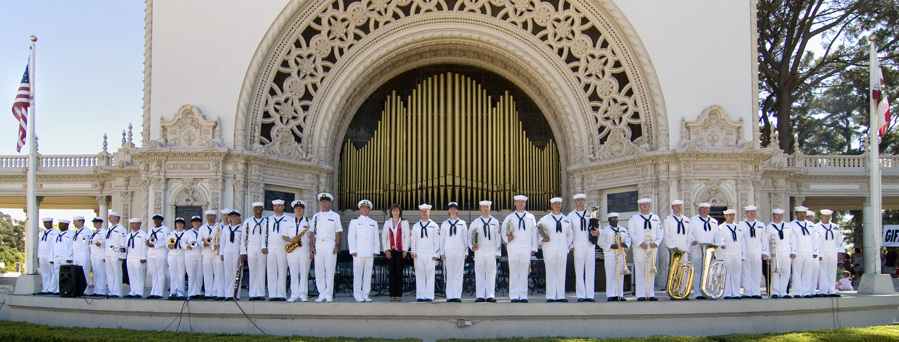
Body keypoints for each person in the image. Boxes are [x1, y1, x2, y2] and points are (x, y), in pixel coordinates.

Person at [502, 195, 539, 303]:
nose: (520, 204)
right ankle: (514, 295)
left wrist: (534, 247)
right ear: (515, 203)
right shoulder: (509, 217)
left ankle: (523, 295)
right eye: (518, 202)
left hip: (526, 247)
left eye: (522, 202)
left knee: (524, 272)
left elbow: (534, 233)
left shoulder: (530, 217)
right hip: (513, 247)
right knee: (514, 272)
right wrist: (507, 239)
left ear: (525, 203)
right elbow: (503, 231)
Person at [538, 197, 574, 302]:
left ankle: (560, 295)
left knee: (561, 272)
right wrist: (542, 239)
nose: (557, 205)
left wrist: (566, 246)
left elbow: (570, 235)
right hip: (549, 248)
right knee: (550, 271)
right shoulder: (545, 219)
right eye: (555, 204)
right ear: (551, 205)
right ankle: (550, 295)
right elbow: (538, 232)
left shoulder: (566, 219)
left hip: (562, 248)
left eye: (559, 203)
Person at [627, 197, 662, 301]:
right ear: (640, 206)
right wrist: (639, 243)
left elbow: (660, 232)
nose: (645, 206)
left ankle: (650, 294)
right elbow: (631, 232)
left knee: (651, 270)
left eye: (646, 204)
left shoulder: (655, 218)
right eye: (643, 204)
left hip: (652, 248)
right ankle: (641, 294)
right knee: (640, 270)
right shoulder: (634, 218)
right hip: (640, 248)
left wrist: (656, 242)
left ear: (649, 205)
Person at [312, 193, 342, 302]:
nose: (324, 203)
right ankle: (321, 294)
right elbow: (312, 232)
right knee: (319, 269)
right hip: (318, 243)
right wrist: (312, 246)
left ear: (330, 202)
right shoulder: (316, 216)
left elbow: (338, 232)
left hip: (330, 243)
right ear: (320, 203)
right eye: (322, 201)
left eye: (326, 201)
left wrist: (337, 245)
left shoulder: (335, 216)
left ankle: (329, 294)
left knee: (330, 270)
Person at [568, 193, 598, 302]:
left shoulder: (591, 213)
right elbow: (569, 231)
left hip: (589, 244)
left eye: (582, 200)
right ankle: (581, 294)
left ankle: (590, 295)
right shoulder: (571, 215)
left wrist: (597, 233)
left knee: (590, 269)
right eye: (578, 200)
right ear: (575, 202)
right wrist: (570, 245)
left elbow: (597, 226)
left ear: (584, 201)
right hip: (577, 244)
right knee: (579, 269)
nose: (580, 202)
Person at [348, 199, 380, 302]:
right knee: (357, 274)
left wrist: (376, 250)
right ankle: (357, 294)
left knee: (367, 274)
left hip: (369, 252)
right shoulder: (355, 222)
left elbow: (376, 238)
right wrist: (352, 250)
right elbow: (351, 237)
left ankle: (366, 294)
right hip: (358, 252)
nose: (365, 210)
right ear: (360, 209)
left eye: (367, 208)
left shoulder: (373, 223)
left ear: (369, 210)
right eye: (363, 208)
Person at [469, 200, 500, 303]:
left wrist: (498, 252)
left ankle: (490, 295)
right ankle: (480, 295)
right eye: (483, 207)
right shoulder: (476, 222)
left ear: (490, 208)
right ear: (480, 208)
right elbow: (469, 236)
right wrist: (471, 246)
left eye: (487, 207)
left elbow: (497, 238)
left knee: (491, 273)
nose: (485, 209)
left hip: (491, 250)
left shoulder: (494, 222)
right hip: (479, 251)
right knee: (480, 273)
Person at [283, 200, 313, 302]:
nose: (298, 210)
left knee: (304, 272)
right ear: (294, 210)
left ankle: (303, 294)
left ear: (303, 210)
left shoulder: (309, 222)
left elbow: (312, 236)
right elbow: (283, 236)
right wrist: (291, 240)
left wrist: (311, 250)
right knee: (293, 272)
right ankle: (294, 294)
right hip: (292, 249)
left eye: (300, 208)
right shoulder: (288, 222)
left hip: (304, 248)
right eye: (296, 209)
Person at [441, 202, 469, 303]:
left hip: (460, 249)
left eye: (454, 209)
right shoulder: (445, 224)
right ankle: (450, 295)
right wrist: (441, 252)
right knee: (450, 273)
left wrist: (466, 251)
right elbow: (442, 239)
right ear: (448, 211)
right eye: (451, 209)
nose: (453, 210)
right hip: (448, 249)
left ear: (457, 211)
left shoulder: (462, 223)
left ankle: (457, 295)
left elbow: (465, 237)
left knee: (458, 273)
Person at [663, 200, 691, 299]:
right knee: (673, 271)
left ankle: (683, 291)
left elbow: (689, 235)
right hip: (673, 249)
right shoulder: (668, 219)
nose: (678, 207)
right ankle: (673, 291)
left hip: (684, 249)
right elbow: (666, 235)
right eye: (676, 206)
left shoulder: (686, 219)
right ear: (672, 207)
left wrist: (687, 248)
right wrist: (672, 247)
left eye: (680, 205)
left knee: (684, 270)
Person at [412, 203, 440, 302]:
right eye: (422, 211)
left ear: (429, 212)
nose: (424, 213)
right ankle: (420, 295)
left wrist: (436, 254)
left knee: (430, 274)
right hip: (419, 253)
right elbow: (413, 240)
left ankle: (429, 295)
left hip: (430, 253)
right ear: (420, 212)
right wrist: (413, 251)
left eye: (426, 211)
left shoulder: (434, 226)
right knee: (419, 274)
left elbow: (437, 241)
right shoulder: (416, 226)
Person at [382, 203, 410, 302]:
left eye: (397, 210)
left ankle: (398, 294)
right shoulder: (387, 223)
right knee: (392, 273)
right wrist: (386, 250)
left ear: (400, 212)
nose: (395, 212)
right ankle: (392, 294)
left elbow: (407, 237)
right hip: (390, 251)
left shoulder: (404, 223)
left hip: (400, 251)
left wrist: (405, 250)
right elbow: (384, 237)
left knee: (399, 273)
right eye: (394, 210)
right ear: (391, 212)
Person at [689, 203, 717, 299]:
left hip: (709, 249)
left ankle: (707, 291)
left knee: (708, 271)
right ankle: (698, 292)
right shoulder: (693, 220)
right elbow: (690, 233)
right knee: (698, 270)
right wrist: (693, 240)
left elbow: (717, 234)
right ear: (699, 209)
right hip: (697, 248)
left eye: (707, 208)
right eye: (703, 208)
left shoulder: (713, 221)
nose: (705, 210)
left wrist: (717, 244)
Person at [267, 199, 294, 301]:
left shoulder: (289, 219)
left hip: (283, 248)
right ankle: (272, 294)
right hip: (271, 247)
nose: (277, 207)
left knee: (282, 271)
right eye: (275, 206)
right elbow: (265, 234)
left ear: (283, 207)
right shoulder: (268, 219)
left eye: (279, 206)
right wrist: (263, 246)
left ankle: (282, 294)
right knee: (271, 271)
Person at [599, 212, 630, 301]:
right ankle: (611, 294)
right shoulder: (605, 230)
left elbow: (628, 240)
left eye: (616, 218)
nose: (614, 220)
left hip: (621, 254)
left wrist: (626, 245)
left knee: (620, 274)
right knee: (611, 274)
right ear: (609, 220)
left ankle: (620, 294)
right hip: (610, 255)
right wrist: (610, 246)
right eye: (612, 219)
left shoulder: (623, 229)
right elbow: (600, 242)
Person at [739, 205, 768, 299]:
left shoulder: (761, 225)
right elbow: (740, 240)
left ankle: (756, 291)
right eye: (750, 212)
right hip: (746, 251)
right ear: (746, 213)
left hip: (757, 251)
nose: (752, 213)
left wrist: (765, 252)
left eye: (753, 212)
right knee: (746, 272)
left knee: (756, 272)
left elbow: (764, 239)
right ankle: (747, 291)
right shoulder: (741, 225)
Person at [790, 206, 818, 298]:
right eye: (800, 213)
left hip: (809, 251)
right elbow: (790, 239)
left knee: (808, 272)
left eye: (803, 213)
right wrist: (792, 251)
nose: (802, 215)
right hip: (797, 251)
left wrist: (815, 251)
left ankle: (806, 291)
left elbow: (815, 239)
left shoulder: (811, 225)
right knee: (797, 272)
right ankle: (797, 291)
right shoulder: (791, 225)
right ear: (796, 214)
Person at [715, 209, 744, 299]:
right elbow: (719, 239)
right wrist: (722, 245)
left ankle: (736, 293)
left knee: (736, 273)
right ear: (725, 216)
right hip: (726, 253)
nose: (731, 217)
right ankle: (727, 293)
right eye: (729, 215)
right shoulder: (721, 227)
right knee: (727, 274)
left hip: (737, 253)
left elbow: (742, 242)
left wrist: (743, 254)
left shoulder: (738, 227)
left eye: (732, 215)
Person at [242, 202, 268, 301]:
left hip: (262, 248)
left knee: (261, 270)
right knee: (252, 271)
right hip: (251, 246)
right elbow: (244, 238)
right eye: (256, 208)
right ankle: (252, 293)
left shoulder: (266, 221)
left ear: (263, 209)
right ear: (253, 209)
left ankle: (260, 293)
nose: (258, 209)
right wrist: (243, 251)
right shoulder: (248, 221)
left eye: (260, 208)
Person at [766, 208, 794, 298]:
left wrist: (793, 251)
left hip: (787, 252)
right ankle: (775, 291)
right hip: (775, 253)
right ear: (773, 215)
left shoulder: (788, 226)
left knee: (786, 273)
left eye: (780, 215)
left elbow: (792, 239)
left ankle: (783, 292)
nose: (779, 217)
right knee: (775, 273)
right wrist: (768, 255)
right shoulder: (769, 227)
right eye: (777, 215)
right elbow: (767, 241)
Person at [816, 209, 842, 297]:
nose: (826, 218)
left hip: (833, 251)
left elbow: (839, 239)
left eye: (828, 216)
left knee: (832, 271)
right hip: (822, 252)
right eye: (824, 216)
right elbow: (815, 241)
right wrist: (818, 253)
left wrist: (840, 251)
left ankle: (831, 290)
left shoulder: (835, 227)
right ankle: (823, 290)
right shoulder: (816, 227)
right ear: (821, 216)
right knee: (822, 272)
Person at [220, 210, 245, 300]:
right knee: (228, 274)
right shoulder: (226, 228)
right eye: (232, 217)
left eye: (235, 217)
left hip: (236, 252)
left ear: (238, 218)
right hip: (227, 252)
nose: (233, 219)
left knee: (237, 274)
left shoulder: (241, 228)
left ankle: (236, 294)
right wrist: (221, 253)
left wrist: (242, 253)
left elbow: (243, 242)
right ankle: (228, 294)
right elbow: (222, 242)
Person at [199, 210, 221, 300]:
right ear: (206, 217)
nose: (210, 217)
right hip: (206, 251)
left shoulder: (219, 226)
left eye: (212, 216)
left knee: (217, 272)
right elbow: (199, 240)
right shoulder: (202, 228)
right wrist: (203, 243)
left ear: (215, 217)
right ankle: (208, 293)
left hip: (216, 251)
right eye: (208, 216)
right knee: (207, 272)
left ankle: (216, 292)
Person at [145, 214, 169, 299]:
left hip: (160, 251)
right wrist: (147, 242)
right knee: (154, 272)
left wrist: (156, 245)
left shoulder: (165, 229)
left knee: (160, 272)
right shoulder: (150, 229)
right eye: (155, 220)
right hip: (151, 252)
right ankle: (153, 291)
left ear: (161, 220)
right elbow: (147, 238)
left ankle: (159, 293)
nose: (156, 221)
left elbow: (167, 242)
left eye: (158, 220)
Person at [104, 212, 127, 298]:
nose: (109, 218)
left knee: (117, 273)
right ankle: (112, 290)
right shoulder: (109, 229)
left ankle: (117, 291)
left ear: (117, 218)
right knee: (110, 273)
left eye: (111, 217)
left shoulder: (121, 229)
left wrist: (122, 255)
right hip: (108, 253)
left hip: (116, 253)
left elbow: (123, 242)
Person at [124, 218, 148, 298]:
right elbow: (126, 246)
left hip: (138, 257)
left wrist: (143, 257)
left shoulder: (143, 235)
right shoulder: (129, 235)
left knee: (139, 275)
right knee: (131, 275)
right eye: (131, 224)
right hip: (130, 257)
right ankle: (132, 291)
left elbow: (144, 247)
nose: (132, 225)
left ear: (139, 224)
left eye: (134, 223)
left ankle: (139, 292)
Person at [51, 219, 75, 295]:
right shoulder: (56, 235)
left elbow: (72, 247)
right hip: (57, 257)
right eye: (59, 224)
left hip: (65, 257)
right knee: (57, 274)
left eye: (62, 224)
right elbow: (52, 247)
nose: (60, 226)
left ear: (67, 225)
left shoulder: (71, 235)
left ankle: (66, 289)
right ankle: (59, 289)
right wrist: (51, 258)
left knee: (66, 275)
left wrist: (70, 257)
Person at [166, 217, 188, 299]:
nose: (179, 224)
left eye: (181, 223)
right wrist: (169, 245)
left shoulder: (186, 233)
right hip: (172, 254)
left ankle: (180, 292)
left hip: (181, 254)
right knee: (173, 274)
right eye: (178, 223)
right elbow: (166, 243)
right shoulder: (171, 234)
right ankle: (173, 291)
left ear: (183, 224)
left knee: (181, 274)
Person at [70, 216, 92, 295]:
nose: (74, 223)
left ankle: (84, 290)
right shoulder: (76, 232)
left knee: (84, 272)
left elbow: (90, 243)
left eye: (75, 221)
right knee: (76, 272)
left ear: (81, 221)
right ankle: (77, 289)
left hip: (83, 254)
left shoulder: (86, 231)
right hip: (76, 254)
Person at [37, 217, 58, 294]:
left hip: (50, 255)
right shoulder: (42, 233)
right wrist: (38, 256)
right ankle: (45, 288)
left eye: (48, 223)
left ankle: (52, 289)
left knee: (53, 272)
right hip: (42, 255)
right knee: (45, 272)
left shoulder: (56, 232)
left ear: (51, 223)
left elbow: (55, 245)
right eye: (45, 223)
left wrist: (53, 256)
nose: (46, 224)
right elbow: (40, 245)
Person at [185, 216, 204, 299]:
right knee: (192, 274)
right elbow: (182, 241)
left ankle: (198, 291)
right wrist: (186, 246)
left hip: (200, 254)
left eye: (198, 222)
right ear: (192, 223)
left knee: (199, 275)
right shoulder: (188, 232)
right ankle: (191, 292)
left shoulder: (202, 231)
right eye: (195, 222)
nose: (196, 223)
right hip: (191, 255)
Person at [88, 217, 108, 296]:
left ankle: (101, 291)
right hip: (94, 254)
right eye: (94, 223)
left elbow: (103, 240)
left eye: (96, 222)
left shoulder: (103, 232)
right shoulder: (94, 232)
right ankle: (97, 290)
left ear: (100, 223)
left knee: (101, 273)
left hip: (100, 254)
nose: (95, 224)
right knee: (95, 273)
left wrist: (99, 243)